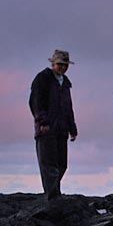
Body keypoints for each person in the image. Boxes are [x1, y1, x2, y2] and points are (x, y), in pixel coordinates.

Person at [29, 49, 78, 201]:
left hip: (62, 129)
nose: (63, 67)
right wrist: (42, 121)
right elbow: (36, 102)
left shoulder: (65, 83)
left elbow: (68, 107)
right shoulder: (43, 78)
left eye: (65, 65)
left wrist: (72, 127)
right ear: (53, 63)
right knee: (49, 164)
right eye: (60, 64)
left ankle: (55, 193)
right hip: (47, 129)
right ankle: (52, 196)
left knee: (61, 164)